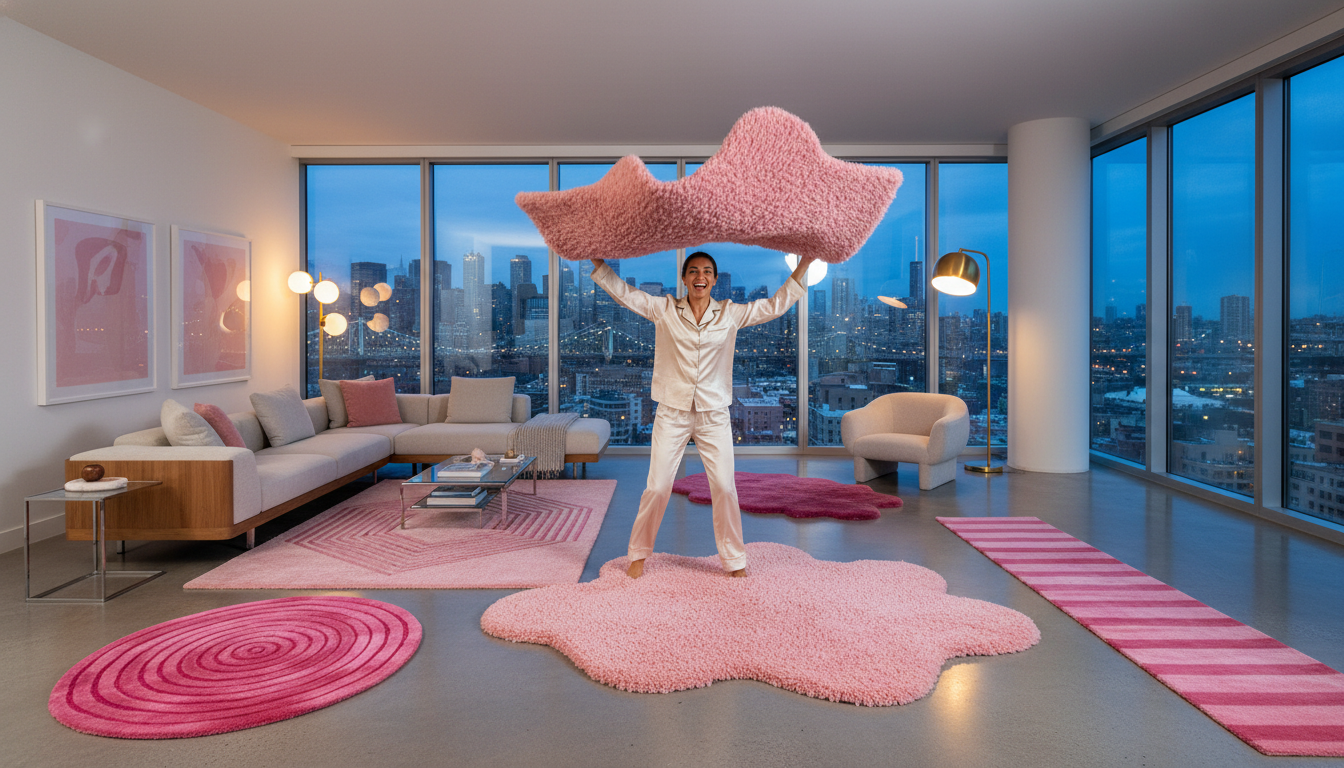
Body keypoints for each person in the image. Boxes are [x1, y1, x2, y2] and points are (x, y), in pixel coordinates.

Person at [590, 251, 814, 578]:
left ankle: (734, 560)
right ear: (684, 278)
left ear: (715, 279)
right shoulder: (665, 309)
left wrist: (804, 265)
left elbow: (773, 306)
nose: (700, 276)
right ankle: (638, 554)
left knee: (724, 487)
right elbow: (626, 294)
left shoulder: (729, 313)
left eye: (707, 271)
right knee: (657, 487)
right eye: (694, 271)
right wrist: (598, 264)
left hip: (714, 414)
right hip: (672, 412)